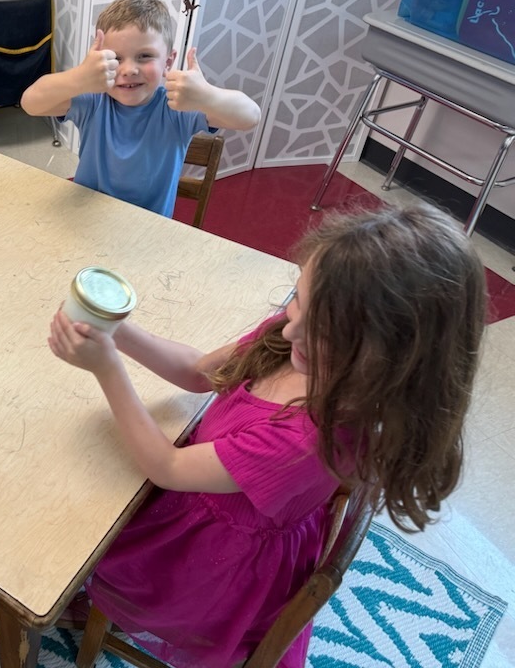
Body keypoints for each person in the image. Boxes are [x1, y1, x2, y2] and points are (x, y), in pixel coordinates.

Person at [47, 203, 486, 668]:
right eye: (299, 297)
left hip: (209, 566)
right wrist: (117, 329)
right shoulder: (295, 338)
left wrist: (107, 368)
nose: (291, 323)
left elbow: (167, 468)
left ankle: (104, 599)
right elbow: (198, 373)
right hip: (208, 508)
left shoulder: (307, 439)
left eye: (323, 329)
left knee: (73, 535)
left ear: (388, 355)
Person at [21, 0, 260, 217]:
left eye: (144, 56)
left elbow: (250, 116)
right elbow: (30, 103)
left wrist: (207, 96)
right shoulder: (94, 99)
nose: (129, 70)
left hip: (148, 233)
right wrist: (78, 78)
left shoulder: (177, 106)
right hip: (87, 220)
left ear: (168, 62)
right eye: (115, 58)